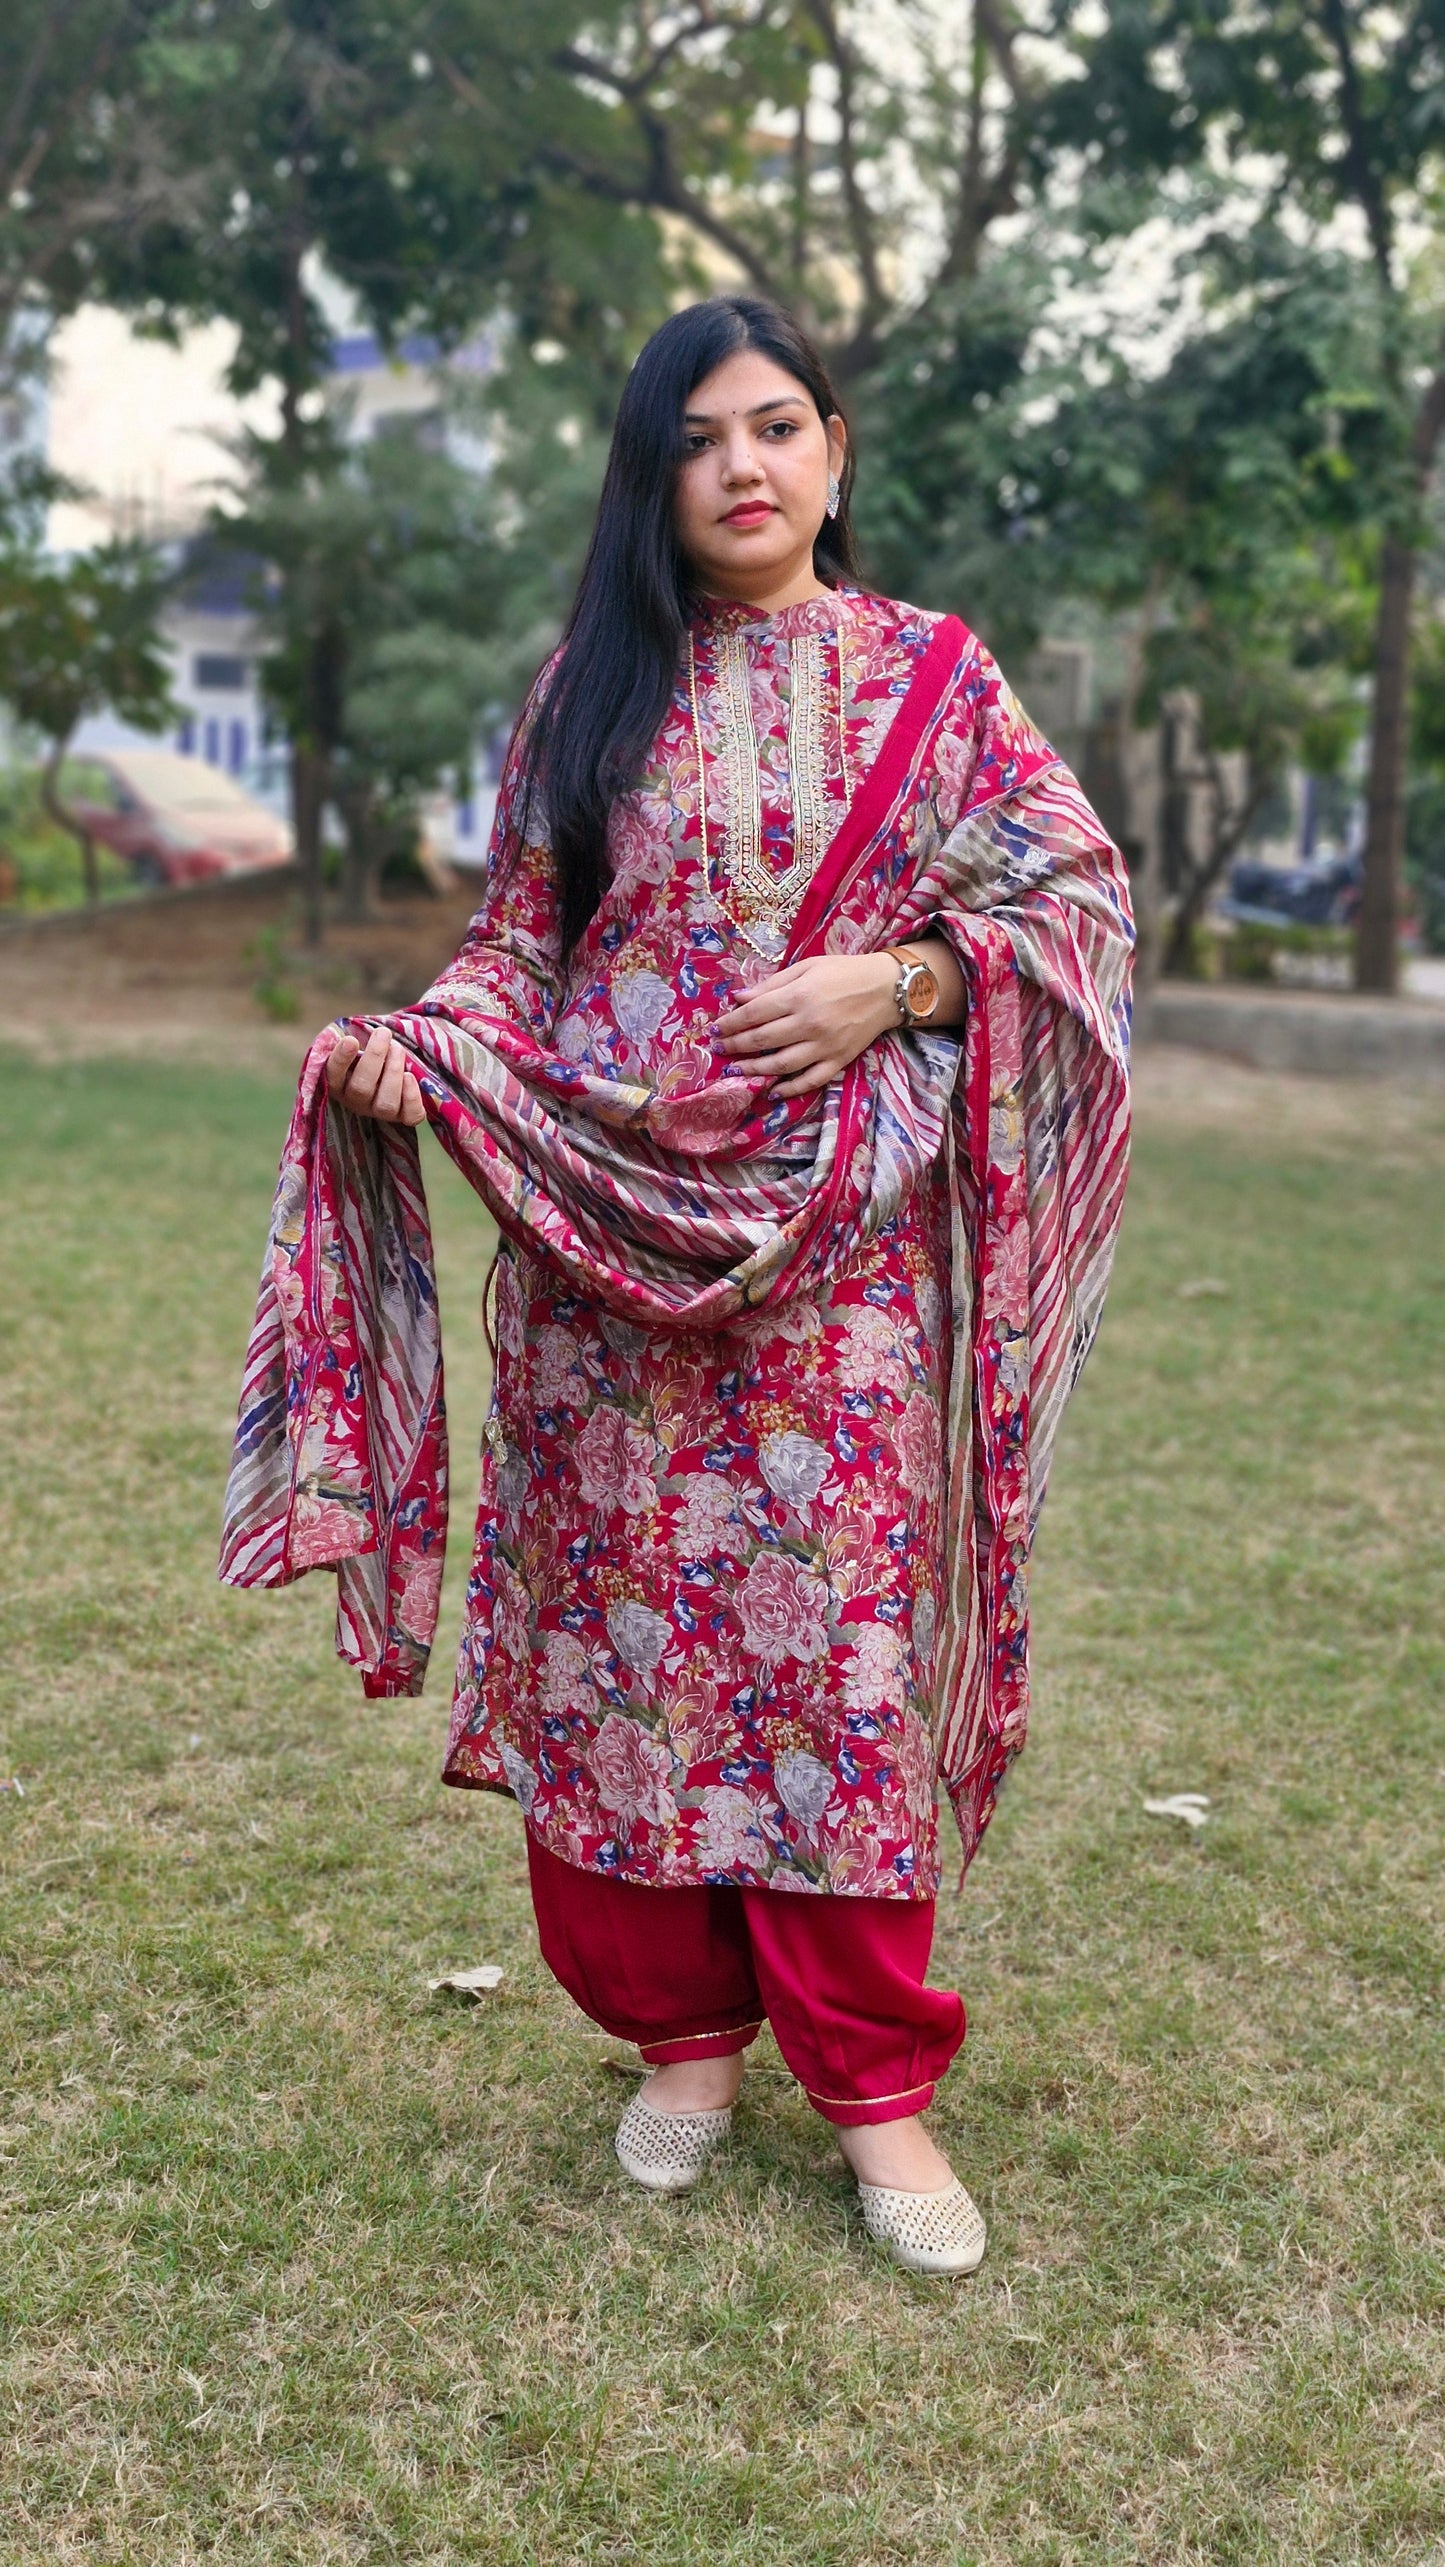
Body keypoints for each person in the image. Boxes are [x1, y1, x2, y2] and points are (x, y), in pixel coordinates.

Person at [222, 296, 1133, 2279]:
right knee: (620, 1666)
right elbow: (512, 958)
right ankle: (682, 2046)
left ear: (836, 451)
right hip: (597, 1281)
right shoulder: (590, 693)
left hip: (837, 1286)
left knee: (836, 1664)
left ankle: (880, 2095)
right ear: (655, 474)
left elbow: (1076, 901)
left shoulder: (941, 685)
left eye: (780, 425)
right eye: (701, 436)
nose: (745, 464)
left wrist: (901, 979)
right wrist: (423, 1055)